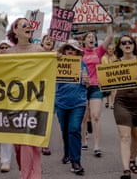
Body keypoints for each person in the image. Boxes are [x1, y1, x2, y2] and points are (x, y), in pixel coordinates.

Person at [5, 17, 46, 178]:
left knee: (29, 142)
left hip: (34, 104)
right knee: (19, 146)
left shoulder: (39, 51)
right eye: (24, 25)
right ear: (15, 31)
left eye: (29, 25)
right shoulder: (7, 53)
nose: (28, 27)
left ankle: (30, 176)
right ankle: (26, 170)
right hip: (14, 105)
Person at [113, 35, 137, 179]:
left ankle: (132, 160)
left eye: (130, 42)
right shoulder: (116, 63)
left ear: (134, 45)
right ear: (120, 46)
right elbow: (108, 84)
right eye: (124, 43)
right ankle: (126, 169)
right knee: (124, 136)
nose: (127, 44)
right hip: (122, 103)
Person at [55, 39, 89, 175]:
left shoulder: (82, 64)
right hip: (61, 102)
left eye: (73, 49)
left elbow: (88, 83)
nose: (70, 50)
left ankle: (76, 161)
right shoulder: (56, 63)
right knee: (65, 130)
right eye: (67, 48)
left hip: (78, 102)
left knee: (74, 129)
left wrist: (86, 81)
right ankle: (67, 152)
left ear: (77, 52)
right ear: (63, 50)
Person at [80, 24, 114, 157]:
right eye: (88, 37)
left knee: (95, 116)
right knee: (83, 117)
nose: (91, 38)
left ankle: (97, 146)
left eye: (93, 37)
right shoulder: (79, 52)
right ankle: (83, 141)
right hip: (82, 87)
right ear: (84, 41)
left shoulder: (98, 51)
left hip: (95, 87)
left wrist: (108, 23)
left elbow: (110, 37)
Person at [0, 39, 14, 172]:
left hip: (11, 99)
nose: (4, 49)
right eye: (2, 47)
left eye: (7, 47)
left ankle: (5, 161)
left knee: (7, 129)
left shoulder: (15, 62)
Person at [39, 34, 55, 156]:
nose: (49, 41)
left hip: (50, 90)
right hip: (37, 90)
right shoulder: (36, 54)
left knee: (47, 117)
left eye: (51, 40)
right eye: (46, 39)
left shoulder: (56, 56)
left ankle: (45, 144)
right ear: (42, 42)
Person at [101, 44, 117, 109]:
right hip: (106, 75)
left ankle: (112, 103)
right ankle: (107, 101)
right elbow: (103, 66)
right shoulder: (104, 58)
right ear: (107, 50)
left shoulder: (115, 57)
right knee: (107, 90)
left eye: (111, 49)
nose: (110, 50)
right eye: (109, 49)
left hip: (114, 75)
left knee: (113, 90)